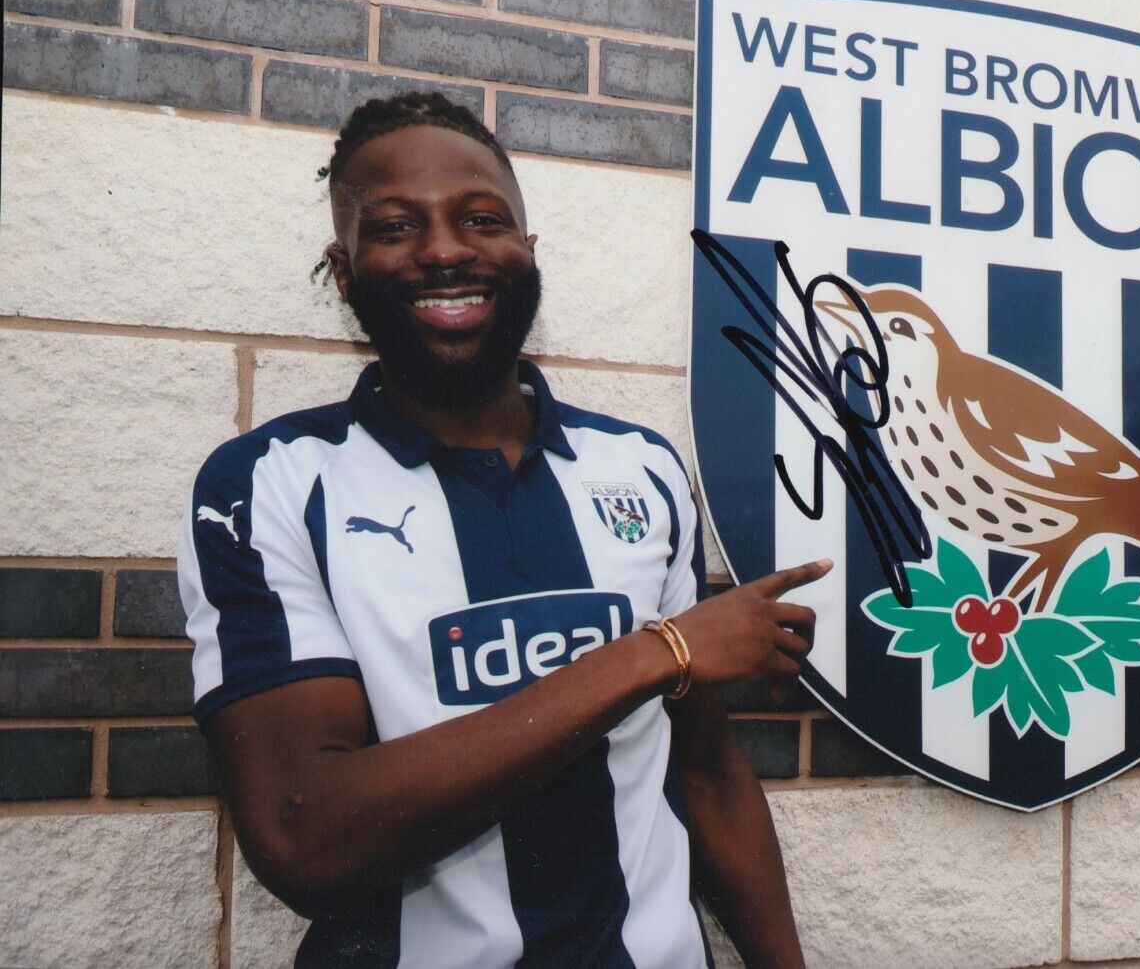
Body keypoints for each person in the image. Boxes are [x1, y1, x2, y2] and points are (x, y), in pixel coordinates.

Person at [178, 92, 828, 969]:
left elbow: (706, 771)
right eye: (398, 226)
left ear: (526, 249)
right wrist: (651, 653)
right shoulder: (271, 484)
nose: (445, 248)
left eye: (481, 219)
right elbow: (305, 835)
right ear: (344, 269)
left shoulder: (639, 469)